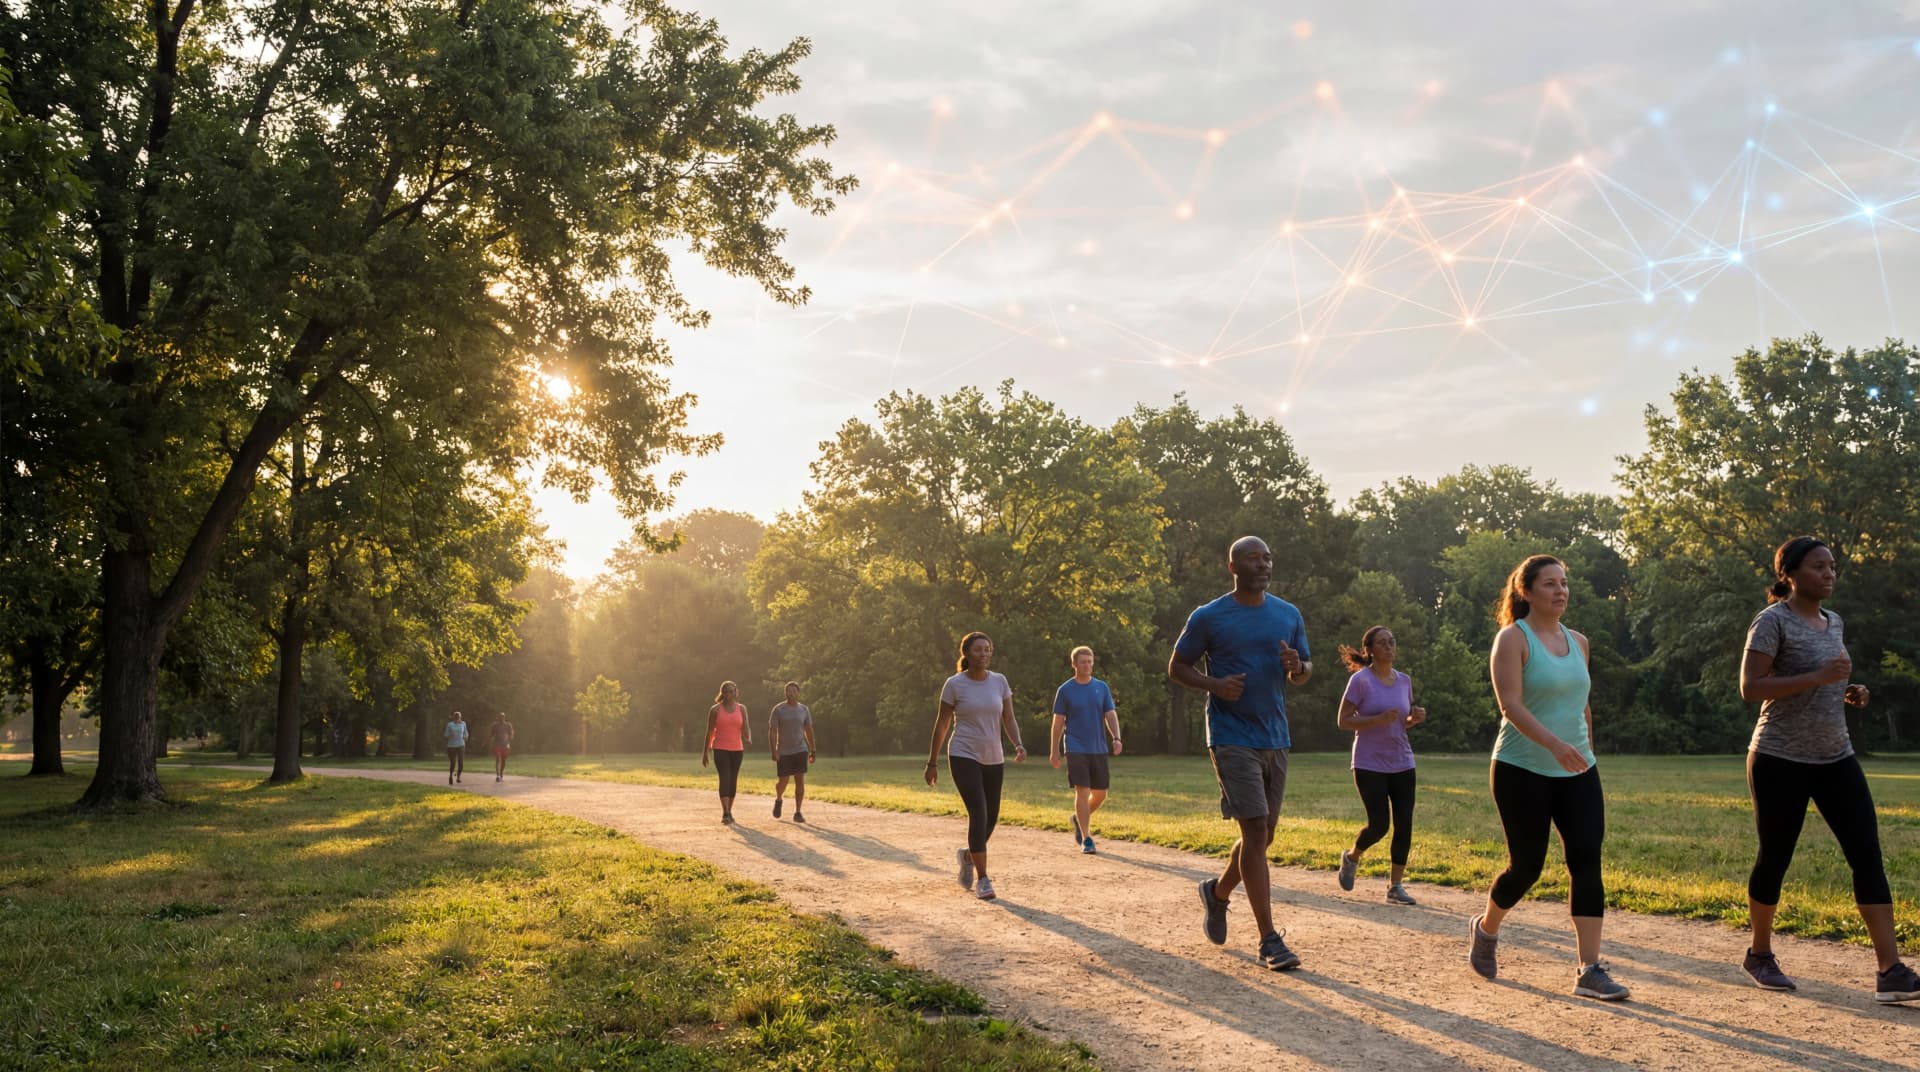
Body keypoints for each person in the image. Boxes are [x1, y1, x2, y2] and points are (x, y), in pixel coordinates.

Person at [1737, 536, 1918, 1002]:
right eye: (1819, 566)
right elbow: (1751, 687)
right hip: (1779, 757)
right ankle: (1759, 954)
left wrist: (1850, 690)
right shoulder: (1771, 621)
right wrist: (1818, 678)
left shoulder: (1833, 622)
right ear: (1790, 573)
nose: (1829, 573)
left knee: (1867, 853)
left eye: (1832, 566)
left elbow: (1825, 680)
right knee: (1776, 856)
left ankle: (1890, 971)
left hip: (1836, 755)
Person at [1467, 555, 1628, 1001]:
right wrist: (1555, 745)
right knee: (1527, 867)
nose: (1561, 591)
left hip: (1578, 769)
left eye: (1564, 583)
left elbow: (1581, 703)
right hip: (1521, 768)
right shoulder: (1512, 639)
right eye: (1550, 584)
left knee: (1586, 860)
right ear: (1527, 591)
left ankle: (1589, 969)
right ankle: (1486, 928)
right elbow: (1511, 706)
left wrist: (1586, 749)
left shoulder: (1579, 642)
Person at [1171, 535, 1312, 972]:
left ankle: (1216, 893)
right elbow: (1177, 666)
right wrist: (1214, 685)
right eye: (1253, 558)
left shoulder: (1288, 614)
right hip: (1230, 735)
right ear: (1233, 567)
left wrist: (1298, 668)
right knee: (1254, 830)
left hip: (1275, 735)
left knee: (1264, 836)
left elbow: (1305, 670)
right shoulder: (1209, 616)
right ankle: (1269, 939)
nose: (1263, 564)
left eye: (1268, 557)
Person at [924, 631, 1027, 901]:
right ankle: (983, 879)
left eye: (987, 649)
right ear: (967, 653)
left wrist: (1018, 743)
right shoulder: (954, 684)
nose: (984, 654)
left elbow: (1009, 718)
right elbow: (942, 723)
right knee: (978, 813)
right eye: (978, 649)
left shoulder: (999, 681)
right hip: (963, 754)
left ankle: (969, 856)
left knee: (992, 817)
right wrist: (932, 762)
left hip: (993, 756)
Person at [1334, 626, 1425, 905]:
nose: (1389, 646)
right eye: (1382, 643)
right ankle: (1352, 857)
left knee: (1404, 824)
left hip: (1402, 760)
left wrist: (1413, 719)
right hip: (1369, 762)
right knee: (1379, 825)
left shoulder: (1404, 681)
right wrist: (1376, 719)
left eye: (1392, 641)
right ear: (1369, 650)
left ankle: (1395, 886)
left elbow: (1401, 721)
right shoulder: (1360, 680)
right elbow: (1343, 721)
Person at [1050, 645, 1122, 854]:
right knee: (1083, 790)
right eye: (1083, 662)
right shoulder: (1065, 690)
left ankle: (1078, 818)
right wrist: (1054, 750)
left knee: (1100, 794)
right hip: (1075, 746)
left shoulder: (1101, 687)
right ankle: (1086, 838)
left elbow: (1110, 715)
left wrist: (1116, 738)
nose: (1087, 665)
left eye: (1090, 661)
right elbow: (1058, 722)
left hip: (1098, 747)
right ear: (1074, 664)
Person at [702, 681, 752, 824]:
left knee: (733, 779)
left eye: (731, 691)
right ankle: (725, 812)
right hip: (720, 748)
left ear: (736, 692)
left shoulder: (742, 709)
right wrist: (705, 752)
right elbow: (710, 732)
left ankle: (729, 810)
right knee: (725, 777)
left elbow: (746, 728)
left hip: (737, 749)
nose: (729, 694)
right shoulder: (715, 710)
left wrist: (748, 738)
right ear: (722, 693)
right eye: (726, 692)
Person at [769, 682, 817, 823]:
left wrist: (813, 749)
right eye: (789, 691)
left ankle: (798, 811)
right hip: (784, 750)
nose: (791, 693)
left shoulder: (804, 710)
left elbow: (809, 730)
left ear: (798, 693)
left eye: (794, 691)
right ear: (785, 693)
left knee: (799, 780)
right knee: (783, 781)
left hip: (800, 749)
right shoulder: (778, 709)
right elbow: (773, 731)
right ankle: (779, 799)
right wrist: (774, 750)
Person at [443, 711, 469, 785]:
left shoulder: (463, 723)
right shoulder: (450, 724)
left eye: (458, 717)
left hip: (461, 745)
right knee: (453, 762)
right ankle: (451, 776)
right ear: (454, 718)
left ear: (460, 717)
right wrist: (450, 735)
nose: (457, 719)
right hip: (451, 746)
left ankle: (458, 777)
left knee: (461, 763)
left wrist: (466, 737)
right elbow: (445, 735)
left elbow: (466, 733)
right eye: (456, 717)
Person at [490, 712, 515, 782]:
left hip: (505, 745)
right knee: (498, 759)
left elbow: (511, 734)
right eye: (500, 717)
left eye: (502, 717)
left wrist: (508, 742)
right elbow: (492, 735)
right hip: (497, 744)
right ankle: (498, 776)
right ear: (498, 717)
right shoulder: (495, 725)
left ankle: (501, 774)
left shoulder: (508, 725)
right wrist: (491, 742)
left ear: (504, 717)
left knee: (503, 760)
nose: (501, 718)